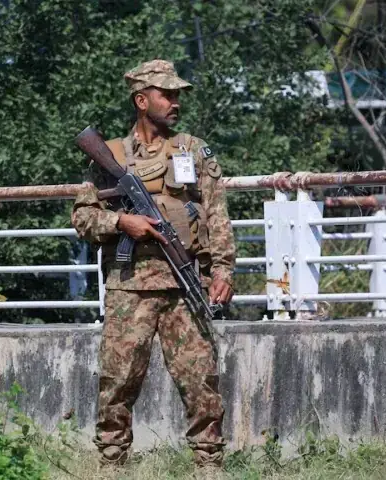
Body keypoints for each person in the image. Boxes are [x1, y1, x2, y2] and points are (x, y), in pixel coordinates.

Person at [71, 59, 236, 475]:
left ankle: (208, 465)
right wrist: (122, 222)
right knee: (118, 382)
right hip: (130, 288)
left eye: (177, 94)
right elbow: (83, 219)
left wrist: (223, 270)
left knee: (201, 380)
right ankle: (111, 465)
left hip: (186, 286)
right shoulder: (111, 155)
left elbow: (216, 214)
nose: (175, 102)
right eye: (167, 94)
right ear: (142, 101)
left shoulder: (193, 150)